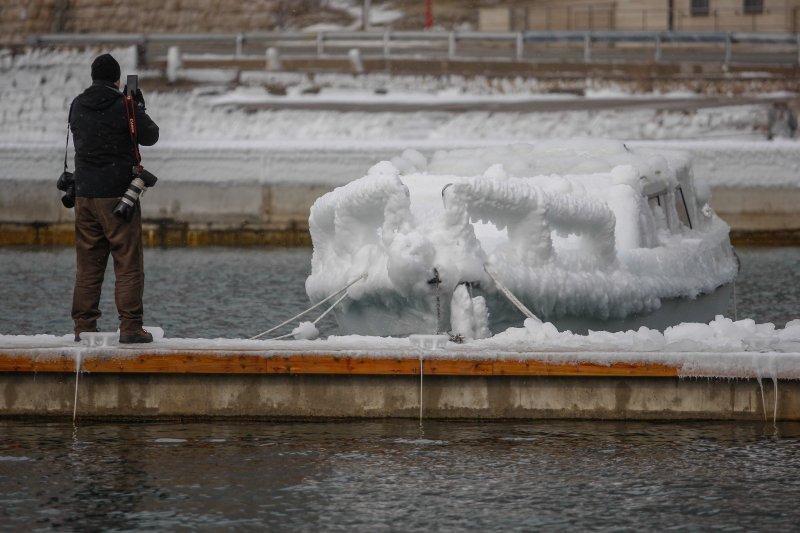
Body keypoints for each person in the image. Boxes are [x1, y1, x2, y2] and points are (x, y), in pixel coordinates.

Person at [68, 53, 159, 343]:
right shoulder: (125, 106)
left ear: (93, 77)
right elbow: (150, 135)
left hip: (84, 196)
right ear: (117, 79)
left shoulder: (78, 104)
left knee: (88, 266)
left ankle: (84, 327)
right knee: (128, 262)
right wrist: (137, 107)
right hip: (118, 198)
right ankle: (130, 327)